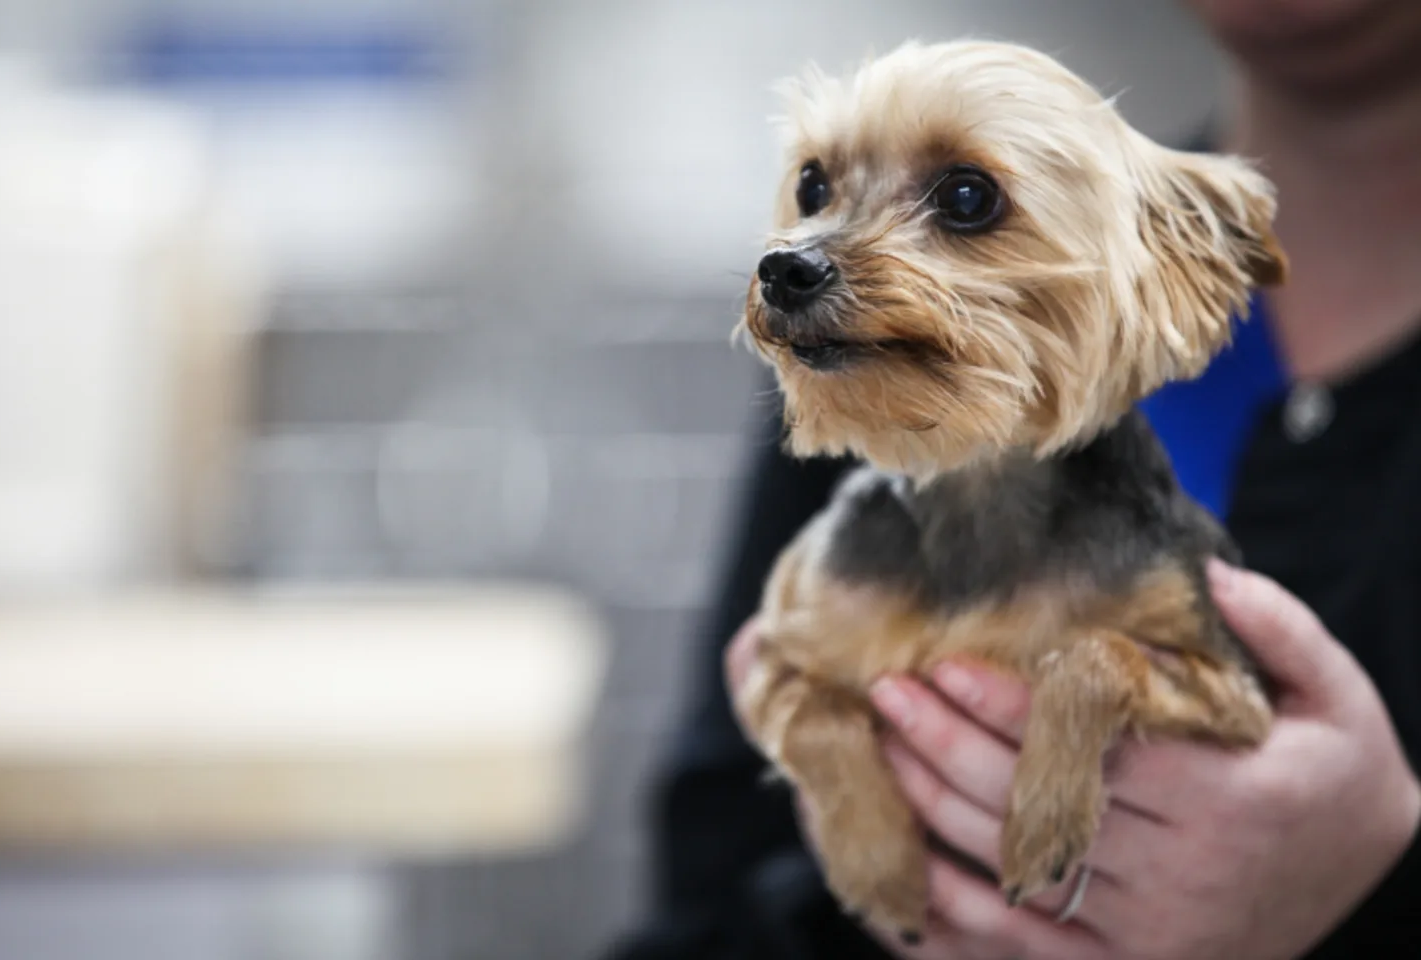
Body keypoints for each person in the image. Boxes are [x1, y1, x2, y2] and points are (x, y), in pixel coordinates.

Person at [604, 0, 1421, 957]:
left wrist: (1379, 888)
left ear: (1180, 258)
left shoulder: (1047, 313)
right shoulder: (871, 366)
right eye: (818, 191)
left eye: (964, 204)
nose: (808, 255)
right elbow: (708, 896)